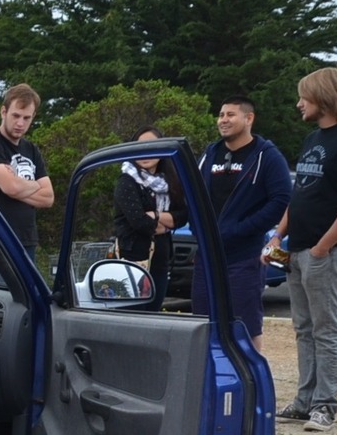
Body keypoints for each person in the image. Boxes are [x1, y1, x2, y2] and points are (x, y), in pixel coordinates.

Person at [270, 69, 337, 431]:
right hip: (297, 249)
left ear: (324, 96)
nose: (299, 104)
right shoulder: (313, 138)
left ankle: (326, 405)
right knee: (303, 327)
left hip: (326, 252)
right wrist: (278, 235)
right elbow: (302, 193)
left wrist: (323, 247)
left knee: (326, 329)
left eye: (305, 97)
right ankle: (304, 400)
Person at [192, 98, 291, 352]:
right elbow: (192, 194)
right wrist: (196, 227)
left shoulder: (266, 156)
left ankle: (252, 386)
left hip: (243, 257)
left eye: (231, 115)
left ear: (249, 119)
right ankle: (209, 385)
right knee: (204, 325)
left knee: (245, 327)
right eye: (221, 114)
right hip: (207, 257)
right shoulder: (210, 154)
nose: (223, 119)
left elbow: (281, 200)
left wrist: (243, 228)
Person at [0, 84, 53, 253]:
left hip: (27, 240)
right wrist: (35, 184)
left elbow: (48, 198)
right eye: (16, 115)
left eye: (26, 118)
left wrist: (17, 183)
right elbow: (11, 187)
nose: (20, 123)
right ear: (3, 112)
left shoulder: (31, 149)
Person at [112, 127, 187, 303]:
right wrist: (166, 222)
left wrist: (155, 215)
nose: (145, 153)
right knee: (133, 312)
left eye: (151, 146)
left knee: (155, 311)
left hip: (161, 258)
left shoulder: (170, 181)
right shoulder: (127, 181)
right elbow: (139, 222)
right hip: (133, 259)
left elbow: (183, 216)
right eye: (140, 147)